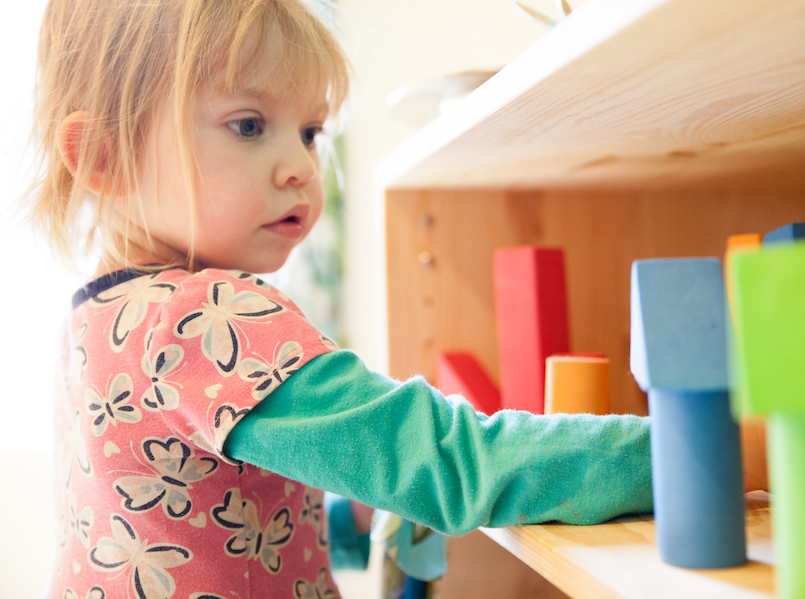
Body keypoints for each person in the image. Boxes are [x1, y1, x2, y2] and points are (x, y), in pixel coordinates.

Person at [27, 1, 764, 598]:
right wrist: (692, 448)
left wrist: (355, 514)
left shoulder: (98, 319)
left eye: (311, 131)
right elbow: (447, 462)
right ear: (101, 157)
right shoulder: (205, 319)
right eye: (248, 125)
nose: (299, 167)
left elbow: (196, 499)